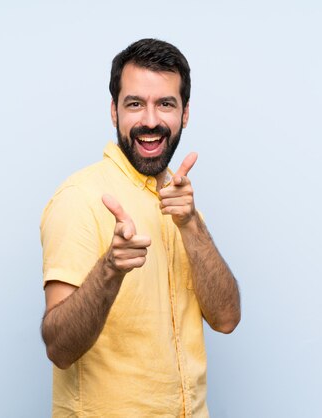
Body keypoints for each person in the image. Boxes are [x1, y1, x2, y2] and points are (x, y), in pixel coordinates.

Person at [40, 38, 241, 417]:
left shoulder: (180, 201)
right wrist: (110, 270)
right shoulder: (79, 198)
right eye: (135, 104)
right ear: (114, 112)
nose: (150, 121)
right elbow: (59, 349)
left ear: (185, 114)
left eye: (165, 103)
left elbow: (227, 319)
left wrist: (191, 224)